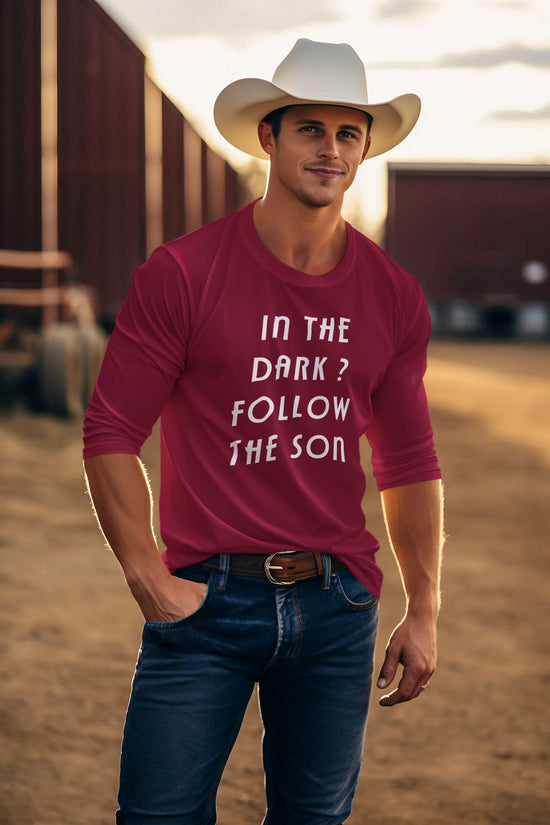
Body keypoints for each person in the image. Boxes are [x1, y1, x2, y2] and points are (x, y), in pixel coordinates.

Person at [84, 38, 444, 825]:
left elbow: (409, 463)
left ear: (366, 148)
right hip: (205, 603)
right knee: (157, 816)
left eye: (349, 133)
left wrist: (423, 607)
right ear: (267, 138)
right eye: (310, 128)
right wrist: (147, 572)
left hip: (337, 607)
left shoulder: (393, 295)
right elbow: (111, 428)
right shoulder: (183, 273)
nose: (331, 148)